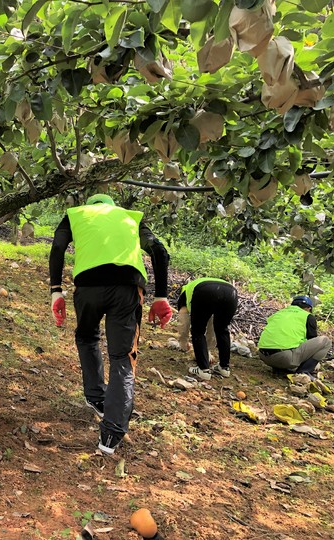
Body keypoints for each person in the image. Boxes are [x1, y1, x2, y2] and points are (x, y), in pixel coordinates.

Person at [49, 193, 171, 455]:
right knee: (122, 358)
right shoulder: (130, 217)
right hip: (127, 288)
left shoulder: (76, 214)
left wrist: (56, 290)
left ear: (91, 206)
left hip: (88, 286)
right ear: (112, 207)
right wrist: (161, 296)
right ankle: (111, 435)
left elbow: (58, 246)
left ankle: (95, 396)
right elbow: (159, 251)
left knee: (87, 336)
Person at [176, 278, 238, 381]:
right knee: (222, 329)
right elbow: (211, 323)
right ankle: (224, 368)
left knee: (198, 330)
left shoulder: (185, 293)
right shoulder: (201, 283)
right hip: (231, 293)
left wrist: (183, 342)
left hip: (205, 291)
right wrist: (208, 350)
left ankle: (203, 370)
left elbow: (184, 321)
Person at [257, 295, 331, 378]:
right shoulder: (308, 316)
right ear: (309, 308)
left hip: (263, 355)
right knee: (325, 341)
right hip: (284, 358)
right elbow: (312, 340)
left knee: (285, 344)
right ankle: (303, 372)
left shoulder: (279, 313)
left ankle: (279, 369)